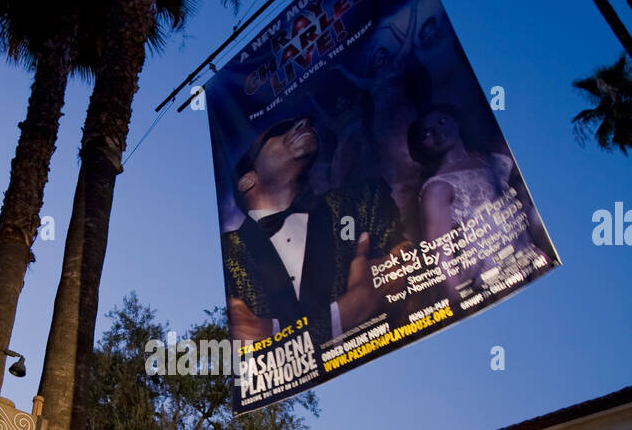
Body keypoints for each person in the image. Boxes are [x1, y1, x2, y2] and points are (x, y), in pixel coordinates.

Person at [222, 114, 403, 346]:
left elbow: (406, 266)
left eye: (307, 123)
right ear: (247, 180)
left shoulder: (363, 199)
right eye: (278, 132)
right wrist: (343, 315)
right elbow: (247, 345)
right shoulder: (228, 253)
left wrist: (274, 333)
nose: (303, 124)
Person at [408, 105, 546, 304]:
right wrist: (462, 308)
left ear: (455, 120)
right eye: (426, 134)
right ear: (419, 148)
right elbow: (441, 258)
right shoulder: (437, 188)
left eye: (442, 121)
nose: (438, 131)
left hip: (532, 264)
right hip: (493, 284)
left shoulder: (490, 161)